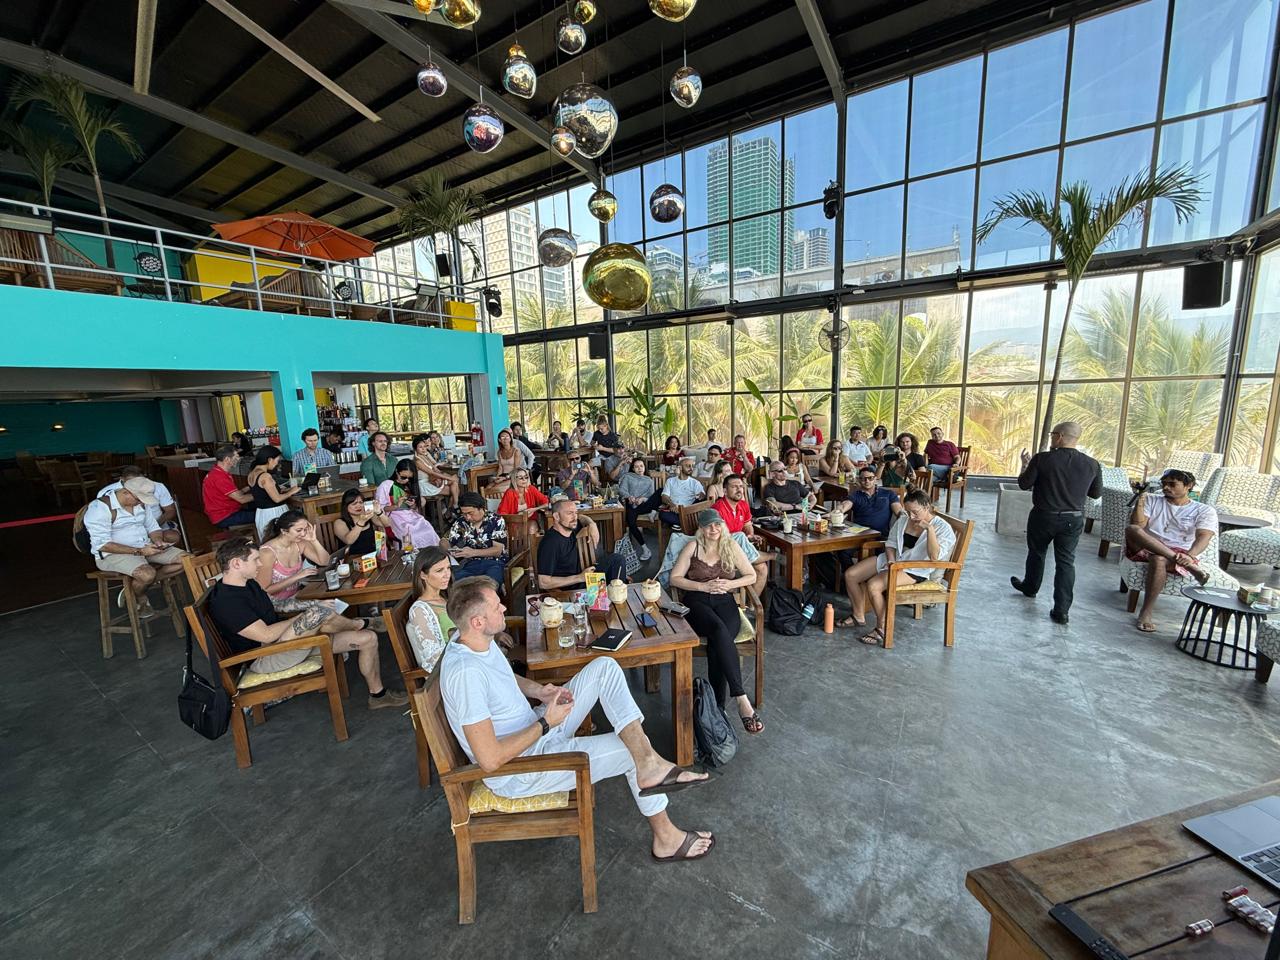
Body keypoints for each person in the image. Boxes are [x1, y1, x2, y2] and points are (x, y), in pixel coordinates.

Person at [439, 576, 713, 862]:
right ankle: (666, 836)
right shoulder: (465, 675)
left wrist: (540, 692)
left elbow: (504, 678)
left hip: (536, 727)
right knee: (628, 749)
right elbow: (490, 759)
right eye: (497, 607)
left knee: (604, 666)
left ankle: (648, 763)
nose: (504, 608)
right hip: (520, 769)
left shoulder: (474, 641)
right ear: (477, 622)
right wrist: (546, 723)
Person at [207, 537, 406, 709]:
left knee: (367, 639)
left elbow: (278, 604)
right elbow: (265, 635)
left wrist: (314, 604)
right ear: (236, 564)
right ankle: (363, 622)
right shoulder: (226, 601)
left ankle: (378, 695)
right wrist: (309, 615)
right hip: (264, 656)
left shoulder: (249, 584)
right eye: (255, 559)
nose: (261, 564)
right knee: (319, 615)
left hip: (286, 644)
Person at [670, 510, 763, 734]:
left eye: (718, 525)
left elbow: (751, 575)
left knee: (718, 642)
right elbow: (675, 578)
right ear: (701, 528)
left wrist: (729, 585)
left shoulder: (730, 546)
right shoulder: (693, 547)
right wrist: (703, 586)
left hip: (725, 600)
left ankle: (718, 708)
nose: (714, 529)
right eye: (709, 525)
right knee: (719, 630)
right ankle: (741, 698)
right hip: (697, 601)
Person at [1010, 422, 1103, 625]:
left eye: (1053, 434)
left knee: (1037, 552)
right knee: (1066, 562)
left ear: (1060, 436)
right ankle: (1061, 610)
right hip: (1073, 518)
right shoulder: (1093, 464)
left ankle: (1030, 587)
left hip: (1044, 515)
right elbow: (1095, 493)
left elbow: (1024, 484)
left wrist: (1025, 465)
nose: (1051, 438)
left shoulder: (1043, 459)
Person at [841, 490, 956, 645]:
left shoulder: (943, 528)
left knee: (874, 585)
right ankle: (858, 615)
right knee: (851, 575)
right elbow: (891, 544)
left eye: (915, 512)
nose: (911, 517)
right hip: (895, 561)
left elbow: (935, 557)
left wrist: (929, 530)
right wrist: (890, 562)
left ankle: (882, 628)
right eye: (908, 512)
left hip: (915, 569)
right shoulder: (904, 520)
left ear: (927, 507)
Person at [1126, 469, 1217, 633]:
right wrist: (1140, 499)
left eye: (1172, 484)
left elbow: (1204, 536)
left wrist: (1190, 556)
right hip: (1145, 547)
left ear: (1189, 486)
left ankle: (1145, 613)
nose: (1166, 488)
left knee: (1159, 559)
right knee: (1132, 529)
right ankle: (1191, 569)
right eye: (1164, 484)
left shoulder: (1204, 510)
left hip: (1180, 553)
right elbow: (1138, 526)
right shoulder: (1153, 499)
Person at [85, 476, 188, 616]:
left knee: (187, 560)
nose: (141, 502)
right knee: (146, 574)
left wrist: (157, 541)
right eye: (139, 499)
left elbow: (153, 527)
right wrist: (139, 551)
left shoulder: (140, 504)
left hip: (144, 547)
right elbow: (103, 545)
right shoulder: (99, 508)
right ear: (126, 492)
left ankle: (134, 587)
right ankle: (140, 596)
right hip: (113, 555)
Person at [255, 509, 355, 617]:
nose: (303, 534)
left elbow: (325, 561)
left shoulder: (299, 544)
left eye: (305, 529)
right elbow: (265, 590)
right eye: (298, 530)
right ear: (284, 531)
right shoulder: (267, 553)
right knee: (327, 607)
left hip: (298, 595)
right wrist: (297, 576)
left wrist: (313, 540)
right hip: (275, 603)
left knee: (335, 602)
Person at [536, 497, 625, 586]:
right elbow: (543, 582)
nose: (574, 517)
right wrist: (579, 577)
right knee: (616, 578)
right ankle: (615, 592)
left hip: (584, 575)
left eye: (575, 512)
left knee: (617, 560)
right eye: (569, 513)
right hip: (572, 587)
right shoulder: (550, 543)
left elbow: (581, 517)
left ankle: (617, 591)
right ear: (556, 516)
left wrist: (592, 524)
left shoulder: (570, 527)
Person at [713, 473, 771, 595]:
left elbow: (747, 524)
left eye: (740, 486)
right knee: (738, 536)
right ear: (725, 490)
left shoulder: (743, 505)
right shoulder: (718, 508)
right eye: (734, 487)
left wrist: (750, 535)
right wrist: (743, 538)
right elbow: (720, 538)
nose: (739, 489)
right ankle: (773, 556)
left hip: (739, 548)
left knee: (762, 568)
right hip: (720, 550)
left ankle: (751, 608)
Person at [99, 465, 180, 545]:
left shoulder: (156, 486)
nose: (137, 485)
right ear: (122, 480)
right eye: (132, 482)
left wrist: (155, 526)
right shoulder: (107, 492)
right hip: (124, 530)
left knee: (172, 536)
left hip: (155, 525)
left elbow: (170, 510)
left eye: (140, 481)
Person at [405, 546, 455, 672]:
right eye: (439, 570)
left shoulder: (446, 597)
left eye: (448, 568)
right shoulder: (420, 611)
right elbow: (434, 657)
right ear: (423, 575)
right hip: (452, 669)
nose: (447, 575)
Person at [376, 459, 441, 549]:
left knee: (428, 529)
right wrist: (396, 506)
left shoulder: (411, 485)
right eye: (403, 477)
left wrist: (413, 505)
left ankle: (431, 555)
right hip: (394, 517)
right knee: (410, 534)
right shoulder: (386, 485)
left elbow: (416, 507)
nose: (406, 480)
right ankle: (410, 556)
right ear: (396, 472)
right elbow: (380, 509)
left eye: (410, 478)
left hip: (411, 515)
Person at [448, 492, 509, 584]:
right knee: (456, 582)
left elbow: (498, 550)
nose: (467, 517)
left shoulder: (495, 520)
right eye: (464, 514)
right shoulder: (460, 522)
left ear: (481, 508)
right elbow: (444, 541)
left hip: (494, 563)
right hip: (469, 565)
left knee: (489, 584)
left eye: (470, 513)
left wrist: (472, 552)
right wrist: (452, 549)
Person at [832, 466, 903, 539]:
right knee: (843, 548)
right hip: (859, 536)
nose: (867, 481)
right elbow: (845, 505)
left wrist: (903, 516)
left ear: (875, 479)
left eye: (870, 478)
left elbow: (899, 511)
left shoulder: (888, 494)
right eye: (863, 479)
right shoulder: (855, 495)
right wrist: (838, 511)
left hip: (881, 536)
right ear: (859, 480)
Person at [203, 444, 256, 528]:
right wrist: (264, 493)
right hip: (224, 516)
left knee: (256, 509)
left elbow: (235, 494)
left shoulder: (218, 472)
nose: (239, 459)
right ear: (227, 459)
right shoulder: (219, 477)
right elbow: (241, 499)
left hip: (227, 512)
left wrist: (249, 487)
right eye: (236, 457)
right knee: (263, 515)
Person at [247, 445, 294, 540]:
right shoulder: (265, 476)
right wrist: (292, 491)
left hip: (261, 513)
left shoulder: (251, 474)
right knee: (281, 541)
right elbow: (277, 499)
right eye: (277, 460)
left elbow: (262, 492)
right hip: (273, 513)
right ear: (270, 459)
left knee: (268, 541)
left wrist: (279, 489)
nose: (277, 464)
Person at [619, 456, 660, 561]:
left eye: (641, 466)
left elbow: (651, 496)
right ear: (633, 468)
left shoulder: (649, 480)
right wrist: (629, 497)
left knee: (660, 491)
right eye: (636, 467)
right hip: (632, 505)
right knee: (631, 524)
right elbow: (622, 490)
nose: (639, 468)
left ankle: (653, 512)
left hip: (645, 505)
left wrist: (642, 499)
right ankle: (645, 549)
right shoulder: (628, 476)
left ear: (644, 467)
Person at [333, 487, 390, 556]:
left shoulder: (369, 516)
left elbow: (387, 524)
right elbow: (349, 541)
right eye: (354, 504)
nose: (358, 506)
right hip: (352, 560)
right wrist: (361, 522)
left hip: (373, 557)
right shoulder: (339, 523)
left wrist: (379, 512)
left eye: (361, 502)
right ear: (346, 506)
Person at [411, 433, 460, 510]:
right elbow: (432, 473)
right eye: (420, 447)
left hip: (432, 481)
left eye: (424, 446)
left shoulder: (425, 456)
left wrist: (449, 477)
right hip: (424, 485)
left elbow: (435, 469)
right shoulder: (417, 461)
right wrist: (450, 478)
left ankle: (453, 508)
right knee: (454, 486)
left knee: (455, 483)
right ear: (415, 449)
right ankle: (453, 509)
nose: (423, 449)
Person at [497, 467, 549, 536]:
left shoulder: (531, 489)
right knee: (530, 530)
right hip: (513, 523)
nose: (524, 480)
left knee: (532, 527)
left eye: (526, 477)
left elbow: (546, 502)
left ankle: (531, 546)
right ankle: (527, 546)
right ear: (514, 479)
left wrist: (534, 509)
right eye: (521, 478)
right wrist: (519, 516)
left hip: (530, 521)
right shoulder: (509, 493)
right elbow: (502, 514)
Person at [660, 456, 707, 526]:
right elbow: (664, 496)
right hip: (674, 510)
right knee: (662, 515)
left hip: (688, 512)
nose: (691, 468)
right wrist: (672, 505)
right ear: (680, 468)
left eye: (692, 466)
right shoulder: (670, 481)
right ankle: (684, 523)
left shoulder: (695, 483)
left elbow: (702, 496)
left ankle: (679, 524)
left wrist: (701, 495)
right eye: (688, 466)